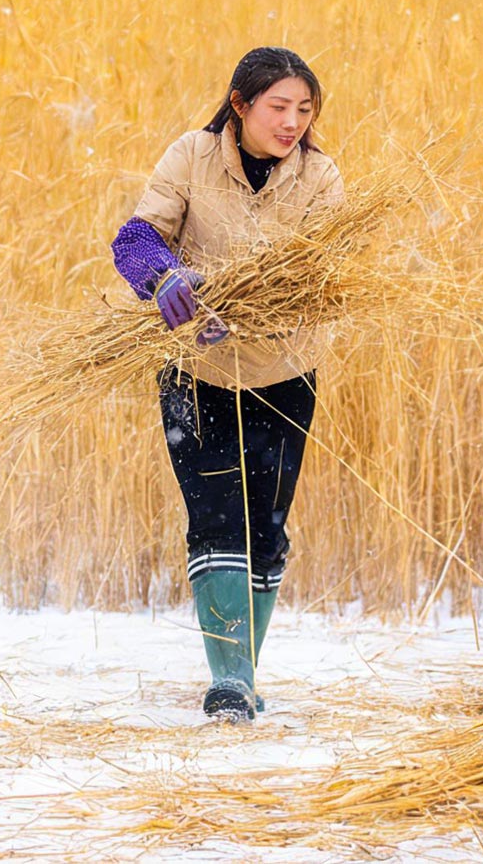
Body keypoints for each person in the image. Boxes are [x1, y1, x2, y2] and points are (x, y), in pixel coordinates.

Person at [110, 46, 344, 721]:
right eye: (278, 106)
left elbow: (327, 274)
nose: (292, 121)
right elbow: (136, 238)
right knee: (216, 519)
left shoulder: (322, 178)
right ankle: (231, 684)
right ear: (239, 105)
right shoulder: (189, 155)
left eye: (305, 109)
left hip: (285, 372)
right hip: (195, 371)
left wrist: (253, 304)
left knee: (266, 531)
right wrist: (166, 281)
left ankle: (242, 673)